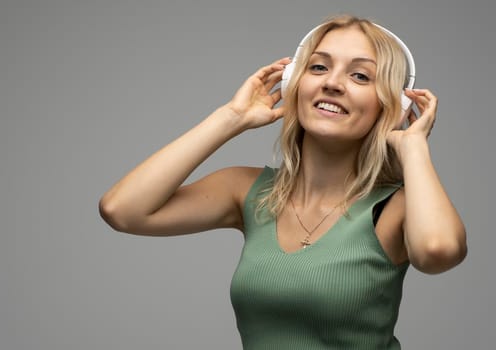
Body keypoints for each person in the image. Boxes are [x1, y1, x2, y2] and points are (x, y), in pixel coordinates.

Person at [99, 14, 467, 350]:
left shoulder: (394, 207)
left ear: (392, 104)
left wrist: (413, 146)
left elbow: (438, 252)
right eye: (319, 67)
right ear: (296, 83)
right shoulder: (247, 191)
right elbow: (122, 210)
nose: (333, 83)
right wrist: (231, 117)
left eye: (360, 76)